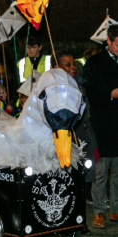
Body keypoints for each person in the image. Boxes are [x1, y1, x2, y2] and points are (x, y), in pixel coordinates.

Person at [51, 49, 98, 204]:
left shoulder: (80, 84)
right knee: (70, 163)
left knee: (88, 161)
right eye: (67, 64)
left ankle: (86, 192)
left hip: (85, 129)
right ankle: (74, 193)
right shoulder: (54, 87)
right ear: (57, 67)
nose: (73, 67)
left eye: (73, 63)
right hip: (68, 132)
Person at [83, 24, 118, 228]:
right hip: (102, 125)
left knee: (117, 173)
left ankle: (115, 210)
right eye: (117, 45)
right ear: (109, 41)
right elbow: (91, 92)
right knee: (100, 172)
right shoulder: (95, 63)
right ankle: (98, 212)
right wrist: (110, 94)